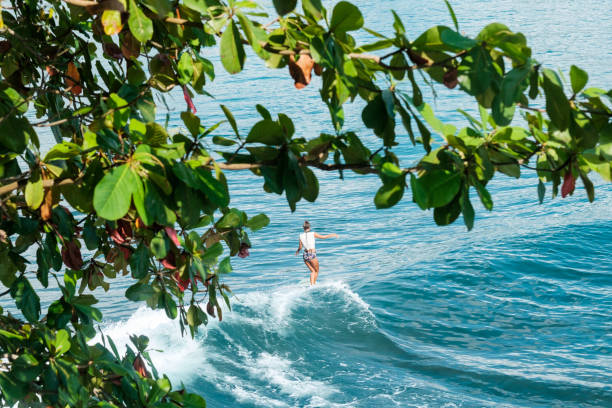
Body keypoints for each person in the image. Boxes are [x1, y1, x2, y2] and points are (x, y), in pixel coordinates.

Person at [295, 221, 338, 285]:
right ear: (309, 227)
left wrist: (297, 251)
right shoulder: (313, 233)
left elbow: (300, 247)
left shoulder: (300, 236)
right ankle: (313, 284)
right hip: (312, 254)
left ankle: (312, 285)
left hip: (305, 255)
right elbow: (323, 237)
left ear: (303, 228)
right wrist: (332, 235)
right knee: (316, 271)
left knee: (312, 271)